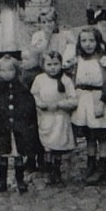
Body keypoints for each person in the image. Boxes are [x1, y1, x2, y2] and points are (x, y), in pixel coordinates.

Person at [70, 27, 106, 185]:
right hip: (83, 100)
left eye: (91, 40)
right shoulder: (79, 60)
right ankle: (90, 165)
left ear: (98, 42)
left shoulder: (104, 61)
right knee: (89, 136)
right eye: (84, 41)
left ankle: (102, 168)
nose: (88, 44)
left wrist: (102, 102)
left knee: (100, 135)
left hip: (98, 100)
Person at [0, 54, 40, 192]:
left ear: (16, 71)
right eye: (3, 71)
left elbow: (28, 108)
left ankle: (20, 180)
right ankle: (2, 181)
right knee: (3, 155)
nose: (6, 74)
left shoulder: (21, 88)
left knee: (18, 154)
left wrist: (24, 123)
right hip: (2, 128)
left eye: (10, 70)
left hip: (18, 127)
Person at [30, 48, 78, 186]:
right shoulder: (39, 79)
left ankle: (57, 171)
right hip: (45, 117)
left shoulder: (66, 80)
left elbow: (73, 99)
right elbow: (34, 95)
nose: (52, 68)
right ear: (43, 65)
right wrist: (40, 104)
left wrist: (60, 104)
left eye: (56, 64)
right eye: (49, 65)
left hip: (60, 117)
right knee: (47, 146)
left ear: (61, 64)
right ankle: (48, 169)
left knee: (58, 145)